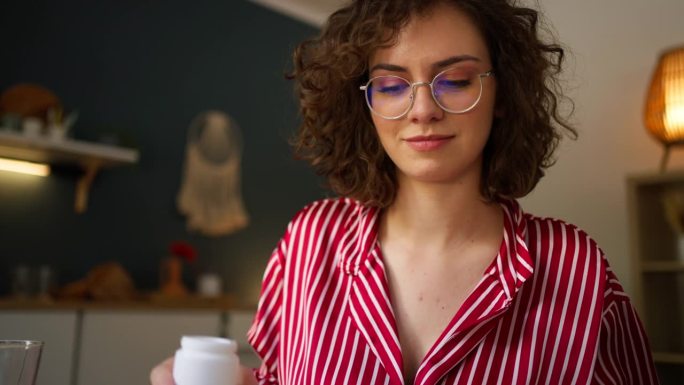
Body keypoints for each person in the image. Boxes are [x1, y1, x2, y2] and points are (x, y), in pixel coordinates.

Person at [152, 0, 659, 384]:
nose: (422, 110)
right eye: (392, 86)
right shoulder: (309, 243)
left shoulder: (577, 270)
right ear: (365, 105)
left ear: (503, 94)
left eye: (455, 80)